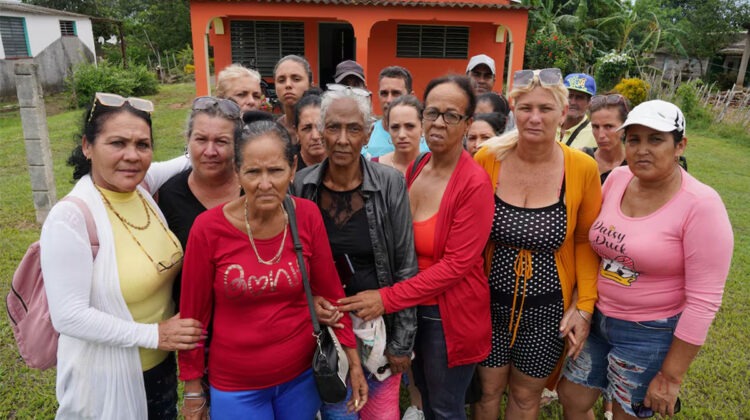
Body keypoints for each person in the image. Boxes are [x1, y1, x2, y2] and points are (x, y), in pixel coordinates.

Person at [178, 120, 368, 419]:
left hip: (301, 377)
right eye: (253, 172)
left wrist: (354, 363)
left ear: (292, 168)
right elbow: (193, 317)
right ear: (237, 171)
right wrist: (192, 392)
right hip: (235, 386)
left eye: (275, 171)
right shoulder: (208, 229)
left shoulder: (306, 216)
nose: (265, 184)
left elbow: (331, 293)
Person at [558, 100, 734, 419]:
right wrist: (582, 307)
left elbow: (704, 301)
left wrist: (670, 376)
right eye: (634, 139)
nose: (642, 149)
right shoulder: (617, 179)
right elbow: (590, 245)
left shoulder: (701, 205)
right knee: (571, 396)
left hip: (650, 330)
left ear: (680, 144)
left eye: (656, 139)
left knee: (627, 413)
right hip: (599, 318)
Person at [338, 75, 495, 420]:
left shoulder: (474, 183)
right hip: (411, 309)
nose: (439, 122)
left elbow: (456, 266)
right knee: (421, 393)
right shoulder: (420, 167)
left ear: (468, 123)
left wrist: (386, 298)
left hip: (447, 317)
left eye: (451, 115)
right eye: (433, 112)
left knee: (444, 407)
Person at [40, 92, 203, 419]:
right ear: (87, 146)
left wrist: (226, 124)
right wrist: (155, 335)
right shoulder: (71, 217)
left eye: (142, 145)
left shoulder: (141, 188)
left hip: (160, 369)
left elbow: (194, 156)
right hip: (106, 378)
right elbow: (68, 316)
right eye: (117, 143)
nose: (132, 156)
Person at [471, 67, 602, 420]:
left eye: (545, 109)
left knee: (526, 397)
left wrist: (584, 306)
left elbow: (584, 241)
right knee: (485, 393)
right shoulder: (487, 158)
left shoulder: (581, 168)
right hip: (487, 305)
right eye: (525, 107)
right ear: (512, 109)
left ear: (563, 114)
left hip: (547, 311)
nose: (534, 117)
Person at [292, 87, 418, 420]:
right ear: (321, 131)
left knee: (381, 413)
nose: (343, 139)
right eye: (333, 127)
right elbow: (295, 264)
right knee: (339, 412)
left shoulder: (390, 183)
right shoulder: (302, 185)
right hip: (328, 331)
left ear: (367, 134)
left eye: (354, 129)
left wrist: (402, 343)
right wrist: (312, 302)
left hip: (380, 327)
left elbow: (406, 265)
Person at [366, 66, 428, 158]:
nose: (389, 100)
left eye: (396, 93)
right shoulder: (367, 136)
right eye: (384, 93)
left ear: (411, 96)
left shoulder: (429, 142)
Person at [583, 94, 630, 184]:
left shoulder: (634, 167)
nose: (601, 135)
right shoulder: (581, 159)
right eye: (595, 127)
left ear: (624, 126)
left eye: (608, 126)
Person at [373, 95, 423, 174]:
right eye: (395, 127)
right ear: (388, 129)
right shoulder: (374, 168)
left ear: (422, 127)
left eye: (410, 126)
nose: (401, 135)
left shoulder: (435, 167)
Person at [275, 55, 314, 144]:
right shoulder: (271, 132)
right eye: (281, 80)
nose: (288, 85)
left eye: (296, 79)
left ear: (310, 85)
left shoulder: (324, 129)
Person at [558, 73, 597, 149]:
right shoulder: (550, 124)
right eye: (569, 96)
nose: (572, 102)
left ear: (589, 102)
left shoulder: (595, 133)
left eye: (579, 97)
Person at [294, 89, 327, 172]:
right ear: (296, 133)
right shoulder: (287, 168)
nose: (315, 136)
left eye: (320, 127)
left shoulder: (342, 166)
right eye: (307, 128)